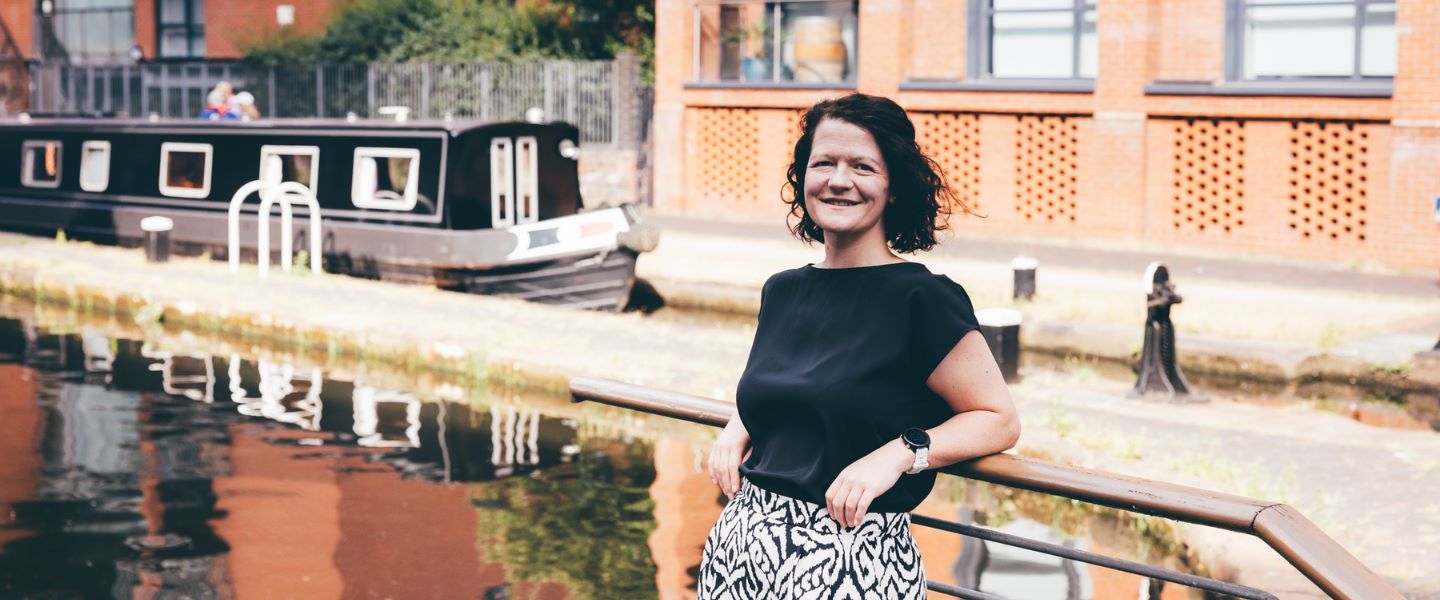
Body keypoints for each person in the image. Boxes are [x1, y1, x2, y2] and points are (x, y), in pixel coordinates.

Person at [699, 93, 1021, 599]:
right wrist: (741, 422)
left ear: (893, 188)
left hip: (852, 560)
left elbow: (998, 419)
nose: (839, 180)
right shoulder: (782, 289)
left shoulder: (924, 298)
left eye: (863, 166)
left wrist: (899, 454)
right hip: (740, 549)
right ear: (803, 177)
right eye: (823, 162)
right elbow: (797, 383)